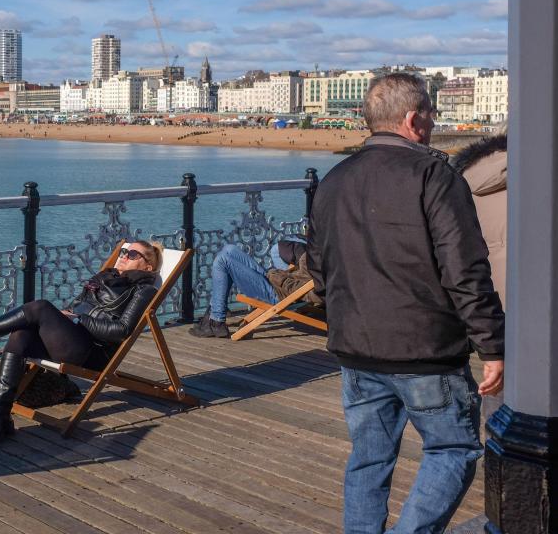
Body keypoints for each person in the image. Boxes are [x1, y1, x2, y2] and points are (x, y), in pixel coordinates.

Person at [307, 72, 504, 533]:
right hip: (426, 351)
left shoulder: (334, 180)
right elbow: (465, 269)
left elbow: (319, 267)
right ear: (414, 119)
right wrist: (492, 346)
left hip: (356, 347)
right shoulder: (434, 175)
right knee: (451, 450)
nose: (433, 125)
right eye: (431, 116)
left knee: (369, 460)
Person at [0, 240, 162, 446]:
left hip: (91, 352)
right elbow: (77, 305)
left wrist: (78, 318)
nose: (124, 255)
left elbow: (121, 331)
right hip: (71, 337)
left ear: (148, 267)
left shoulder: (144, 290)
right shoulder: (104, 277)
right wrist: (68, 314)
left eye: (133, 254)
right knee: (21, 334)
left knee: (40, 307)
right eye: (123, 251)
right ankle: (0, 417)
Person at [452, 132, 508, 421]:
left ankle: (497, 447)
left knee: (497, 381)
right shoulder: (538, 173)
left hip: (486, 298)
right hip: (536, 296)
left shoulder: (464, 181)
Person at [189, 239, 317, 338]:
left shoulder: (327, 268)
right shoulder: (328, 257)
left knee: (222, 261)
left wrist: (305, 258)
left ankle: (216, 321)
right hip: (276, 282)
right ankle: (214, 314)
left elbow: (303, 288)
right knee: (230, 249)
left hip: (280, 295)